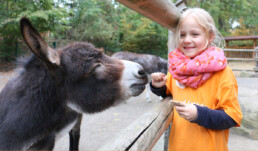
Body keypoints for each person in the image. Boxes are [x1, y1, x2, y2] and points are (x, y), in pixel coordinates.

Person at [150, 8, 243, 151]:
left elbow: (232, 116)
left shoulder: (223, 73)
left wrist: (199, 114)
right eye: (182, 35)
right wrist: (158, 85)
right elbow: (168, 91)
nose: (187, 40)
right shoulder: (177, 70)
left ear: (210, 36)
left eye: (195, 34)